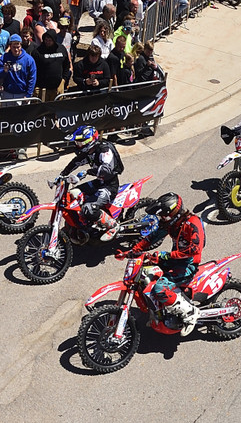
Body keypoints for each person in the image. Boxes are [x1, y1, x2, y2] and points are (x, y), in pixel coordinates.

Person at [118, 192, 205, 335]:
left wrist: (166, 255)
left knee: (160, 288)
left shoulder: (193, 223)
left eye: (163, 215)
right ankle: (158, 313)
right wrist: (134, 250)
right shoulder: (172, 224)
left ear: (173, 213)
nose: (161, 219)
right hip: (174, 261)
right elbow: (152, 237)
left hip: (187, 266)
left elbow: (195, 249)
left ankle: (190, 313)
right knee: (146, 273)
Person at [59, 125, 124, 240]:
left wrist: (88, 171)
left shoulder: (105, 149)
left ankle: (113, 226)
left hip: (110, 186)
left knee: (88, 208)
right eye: (77, 142)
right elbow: (76, 162)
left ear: (89, 140)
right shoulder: (89, 152)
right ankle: (80, 224)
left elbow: (107, 169)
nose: (78, 145)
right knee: (73, 193)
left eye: (80, 142)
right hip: (98, 182)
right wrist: (62, 175)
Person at [0, 34, 36, 101]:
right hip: (7, 93)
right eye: (14, 47)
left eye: (18, 47)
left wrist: (29, 94)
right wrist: (4, 71)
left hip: (22, 94)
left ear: (21, 46)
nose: (16, 49)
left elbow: (32, 77)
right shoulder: (4, 58)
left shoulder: (28, 59)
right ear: (10, 46)